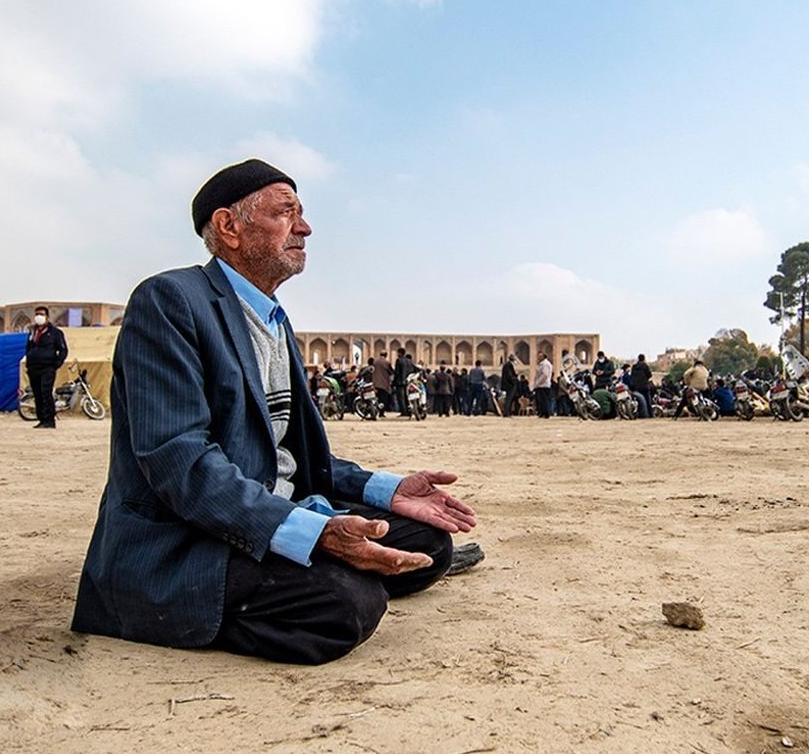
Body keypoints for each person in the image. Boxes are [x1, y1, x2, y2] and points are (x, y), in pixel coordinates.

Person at [71, 159, 479, 665]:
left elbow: (291, 453)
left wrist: (388, 489)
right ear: (229, 227)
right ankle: (287, 582)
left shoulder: (271, 319)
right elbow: (180, 462)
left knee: (429, 541)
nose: (304, 228)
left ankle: (321, 561)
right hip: (195, 535)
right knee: (348, 603)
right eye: (286, 213)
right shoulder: (171, 300)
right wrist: (315, 533)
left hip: (276, 505)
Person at [25, 305, 69, 429]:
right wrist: (29, 363)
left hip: (47, 368)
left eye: (41, 314)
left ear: (47, 317)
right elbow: (28, 348)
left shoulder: (55, 333)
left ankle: (50, 420)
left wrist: (56, 364)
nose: (38, 317)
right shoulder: (32, 332)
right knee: (37, 394)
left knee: (46, 392)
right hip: (33, 368)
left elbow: (63, 350)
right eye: (36, 314)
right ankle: (42, 419)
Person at [393, 348, 415, 416]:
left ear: (400, 353)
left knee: (401, 398)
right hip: (408, 382)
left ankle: (404, 412)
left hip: (400, 382)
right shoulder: (409, 361)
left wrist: (394, 381)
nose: (397, 354)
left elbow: (397, 372)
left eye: (398, 353)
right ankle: (409, 411)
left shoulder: (399, 360)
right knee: (407, 397)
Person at [630, 353, 653, 419]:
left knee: (639, 401)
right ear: (644, 359)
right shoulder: (645, 366)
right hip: (644, 386)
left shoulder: (634, 367)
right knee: (647, 401)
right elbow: (649, 375)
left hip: (636, 387)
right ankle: (649, 414)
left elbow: (632, 376)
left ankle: (640, 414)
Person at [533, 351, 553, 418]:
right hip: (540, 385)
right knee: (540, 400)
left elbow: (545, 375)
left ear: (544, 357)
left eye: (540, 356)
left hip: (544, 385)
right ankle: (541, 413)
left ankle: (546, 413)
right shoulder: (541, 364)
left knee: (544, 400)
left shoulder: (545, 364)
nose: (538, 357)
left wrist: (538, 382)